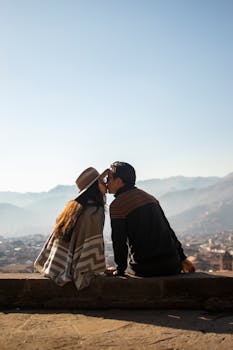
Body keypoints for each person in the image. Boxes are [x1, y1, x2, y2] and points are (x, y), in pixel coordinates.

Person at [107, 161, 195, 277]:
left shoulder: (117, 205)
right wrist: (182, 258)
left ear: (118, 181)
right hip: (172, 265)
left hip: (145, 268)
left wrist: (120, 270)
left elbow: (119, 242)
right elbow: (168, 230)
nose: (106, 182)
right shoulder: (150, 198)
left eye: (109, 179)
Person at [34, 167, 108, 290]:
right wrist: (99, 269)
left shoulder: (74, 206)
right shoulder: (95, 211)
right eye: (102, 180)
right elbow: (92, 246)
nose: (105, 183)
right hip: (74, 269)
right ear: (95, 185)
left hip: (57, 267)